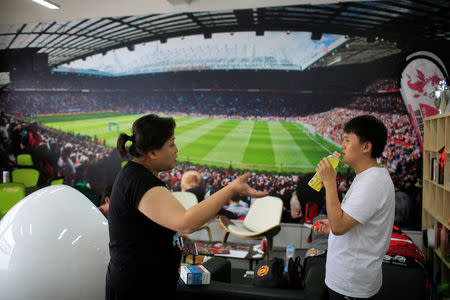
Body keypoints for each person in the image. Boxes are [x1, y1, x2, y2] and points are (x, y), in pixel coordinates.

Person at [106, 114, 267, 299]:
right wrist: (231, 189)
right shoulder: (140, 180)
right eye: (171, 144)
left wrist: (170, 238)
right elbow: (186, 222)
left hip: (144, 284)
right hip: (138, 289)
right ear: (152, 152)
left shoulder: (136, 176)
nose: (176, 150)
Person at [313, 115, 395, 300]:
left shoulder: (372, 182)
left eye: (347, 140)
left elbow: (340, 227)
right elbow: (347, 222)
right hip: (349, 280)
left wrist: (329, 182)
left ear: (366, 147)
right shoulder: (369, 177)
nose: (342, 145)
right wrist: (332, 225)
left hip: (351, 285)